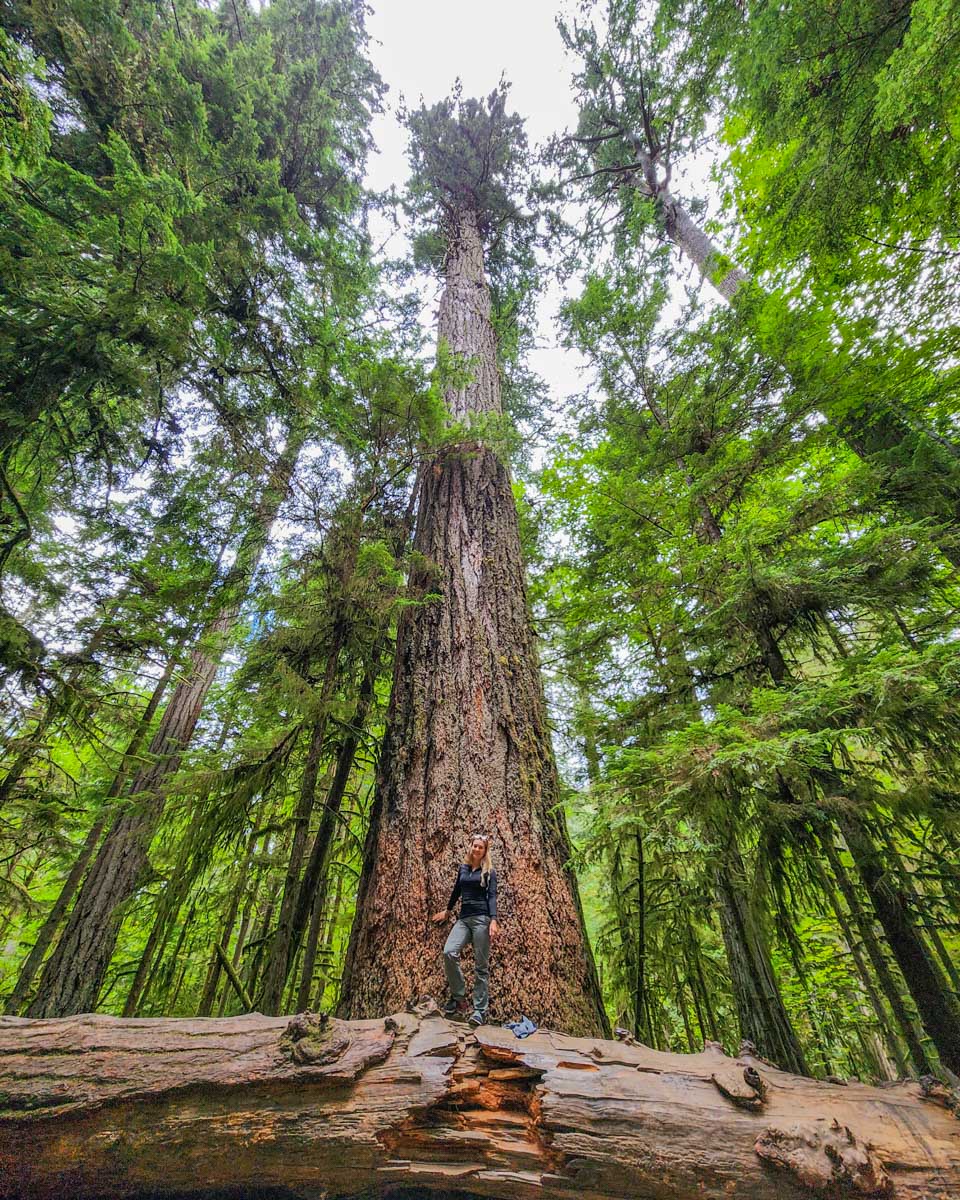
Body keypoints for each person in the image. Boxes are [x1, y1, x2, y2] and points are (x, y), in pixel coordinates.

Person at [431, 833, 499, 1027]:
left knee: (481, 966)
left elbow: (492, 897)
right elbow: (456, 890)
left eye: (481, 847)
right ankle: (459, 998)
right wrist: (447, 910)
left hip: (481, 920)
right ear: (470, 847)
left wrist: (493, 920)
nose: (477, 849)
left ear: (485, 851)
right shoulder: (463, 868)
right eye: (475, 846)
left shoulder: (489, 872)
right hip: (463, 919)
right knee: (449, 952)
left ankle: (479, 1010)